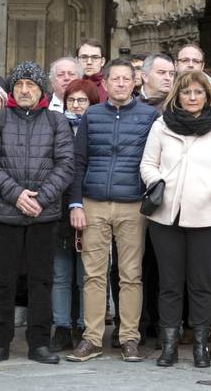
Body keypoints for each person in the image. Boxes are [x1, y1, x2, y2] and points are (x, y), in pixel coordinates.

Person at [0, 61, 74, 365]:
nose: (24, 90)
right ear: (11, 90)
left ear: (41, 89)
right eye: (19, 85)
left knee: (41, 280)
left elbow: (65, 165)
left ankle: (39, 344)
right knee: (3, 280)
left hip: (43, 216)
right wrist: (17, 195)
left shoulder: (56, 122)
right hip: (5, 213)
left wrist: (40, 199)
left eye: (30, 84)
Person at [141, 70, 211, 368]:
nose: (193, 97)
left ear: (207, 96)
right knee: (170, 284)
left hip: (208, 216)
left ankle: (200, 346)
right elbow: (148, 164)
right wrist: (158, 182)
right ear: (178, 96)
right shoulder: (161, 126)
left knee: (201, 284)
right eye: (187, 93)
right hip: (166, 216)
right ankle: (169, 346)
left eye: (198, 92)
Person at [66, 58, 158, 363]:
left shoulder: (149, 116)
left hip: (133, 205)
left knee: (131, 275)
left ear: (135, 82)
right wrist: (76, 202)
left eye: (126, 79)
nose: (120, 84)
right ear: (104, 84)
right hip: (93, 202)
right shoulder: (92, 115)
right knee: (93, 275)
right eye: (115, 79)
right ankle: (92, 339)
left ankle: (129, 337)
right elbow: (78, 162)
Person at [50, 78, 100, 352]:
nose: (77, 106)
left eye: (83, 101)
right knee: (60, 272)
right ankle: (60, 325)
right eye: (72, 100)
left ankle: (84, 324)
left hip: (89, 204)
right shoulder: (55, 126)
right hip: (58, 207)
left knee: (86, 273)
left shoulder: (96, 128)